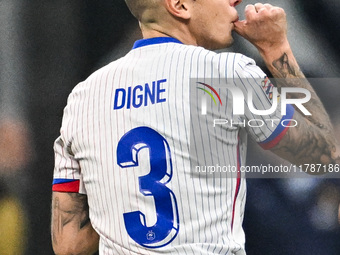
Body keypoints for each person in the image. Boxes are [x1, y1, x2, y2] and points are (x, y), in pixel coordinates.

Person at [51, 0, 340, 254]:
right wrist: (275, 47)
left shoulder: (83, 97)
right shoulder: (227, 73)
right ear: (180, 5)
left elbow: (69, 244)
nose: (235, 1)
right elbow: (322, 156)